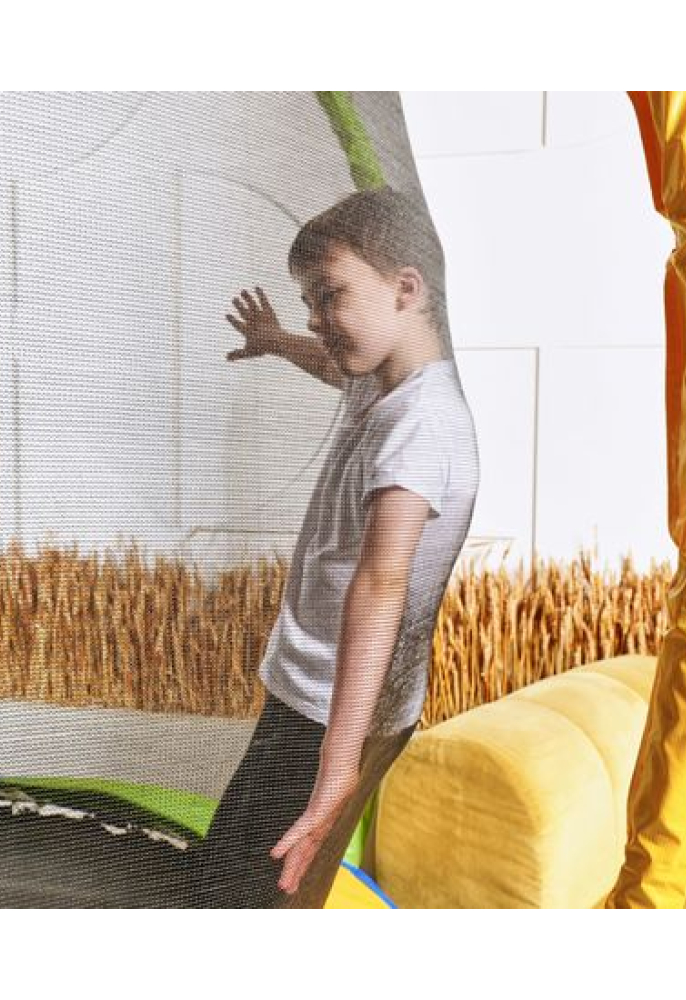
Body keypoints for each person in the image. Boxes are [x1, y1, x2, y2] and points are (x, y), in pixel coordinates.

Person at [191, 186, 480, 908]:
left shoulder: (423, 425)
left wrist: (337, 766)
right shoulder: (383, 380)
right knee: (242, 870)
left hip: (333, 714)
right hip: (308, 691)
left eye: (330, 296)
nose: (315, 319)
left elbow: (382, 585)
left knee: (253, 889)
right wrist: (274, 341)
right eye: (308, 302)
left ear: (406, 289)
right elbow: (330, 364)